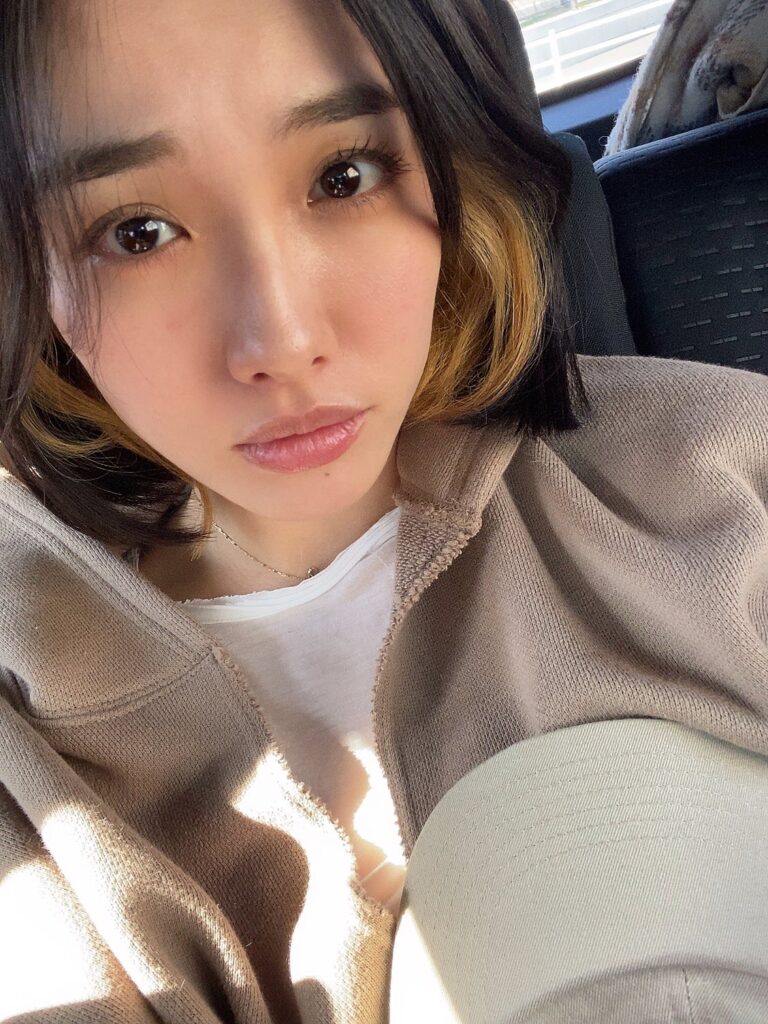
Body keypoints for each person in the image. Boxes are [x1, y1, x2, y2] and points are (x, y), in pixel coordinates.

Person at [1, 1, 767, 1022]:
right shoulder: (24, 727)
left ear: (450, 167)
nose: (280, 339)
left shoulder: (720, 473)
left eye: (344, 175)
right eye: (136, 234)